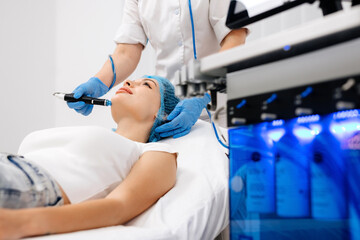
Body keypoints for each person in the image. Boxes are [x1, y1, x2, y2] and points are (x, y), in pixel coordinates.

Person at [0, 76, 180, 239]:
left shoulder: (155, 152)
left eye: (147, 85)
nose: (128, 82)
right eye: (132, 80)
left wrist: (21, 223)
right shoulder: (94, 134)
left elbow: (119, 207)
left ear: (162, 113)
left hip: (30, 183)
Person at [68, 0, 248, 138]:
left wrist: (201, 91)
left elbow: (235, 37)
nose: (129, 83)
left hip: (219, 104)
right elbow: (126, 52)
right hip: (165, 112)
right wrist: (98, 83)